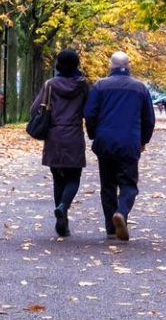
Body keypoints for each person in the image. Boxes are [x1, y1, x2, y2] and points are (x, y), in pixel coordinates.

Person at [84, 51, 155, 241]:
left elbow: (90, 114)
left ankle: (110, 228)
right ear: (129, 65)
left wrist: (93, 135)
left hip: (105, 141)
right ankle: (122, 212)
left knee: (107, 185)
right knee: (129, 184)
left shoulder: (100, 86)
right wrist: (143, 141)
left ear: (110, 66)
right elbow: (149, 119)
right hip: (129, 142)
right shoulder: (140, 88)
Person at [31, 49, 90, 238]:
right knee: (74, 177)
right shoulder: (82, 86)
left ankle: (61, 218)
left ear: (58, 64)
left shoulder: (50, 85)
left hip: (54, 136)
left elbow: (35, 109)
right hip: (73, 135)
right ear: (76, 64)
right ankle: (64, 206)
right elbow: (89, 110)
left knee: (58, 178)